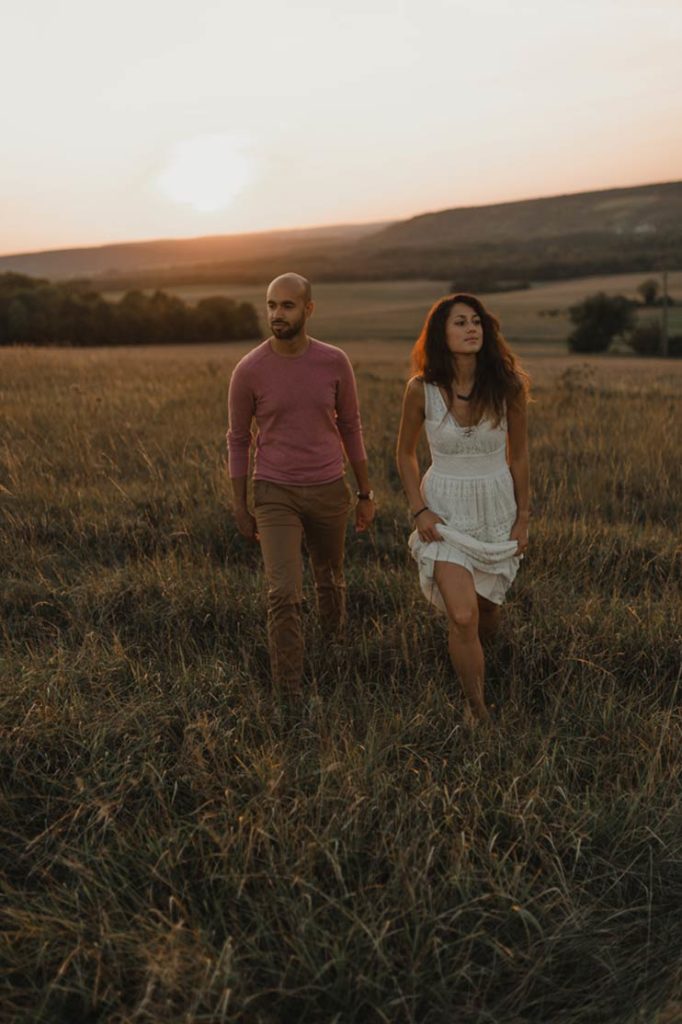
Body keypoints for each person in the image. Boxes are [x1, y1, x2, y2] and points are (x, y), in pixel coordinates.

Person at [227, 272, 376, 694]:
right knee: (283, 593)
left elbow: (351, 426)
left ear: (308, 310)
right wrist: (240, 505)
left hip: (329, 487)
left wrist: (365, 493)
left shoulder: (334, 362)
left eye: (287, 305)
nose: (277, 314)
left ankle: (333, 650)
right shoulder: (249, 370)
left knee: (329, 577)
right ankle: (288, 692)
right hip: (274, 492)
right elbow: (238, 440)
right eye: (271, 305)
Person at [396, 294, 530, 723]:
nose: (472, 328)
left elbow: (519, 456)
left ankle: (483, 661)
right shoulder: (421, 389)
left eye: (476, 321)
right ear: (441, 333)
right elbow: (405, 454)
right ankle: (478, 711)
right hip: (444, 513)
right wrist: (419, 510)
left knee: (487, 609)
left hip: (495, 509)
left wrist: (523, 517)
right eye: (460, 322)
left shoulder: (508, 386)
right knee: (462, 614)